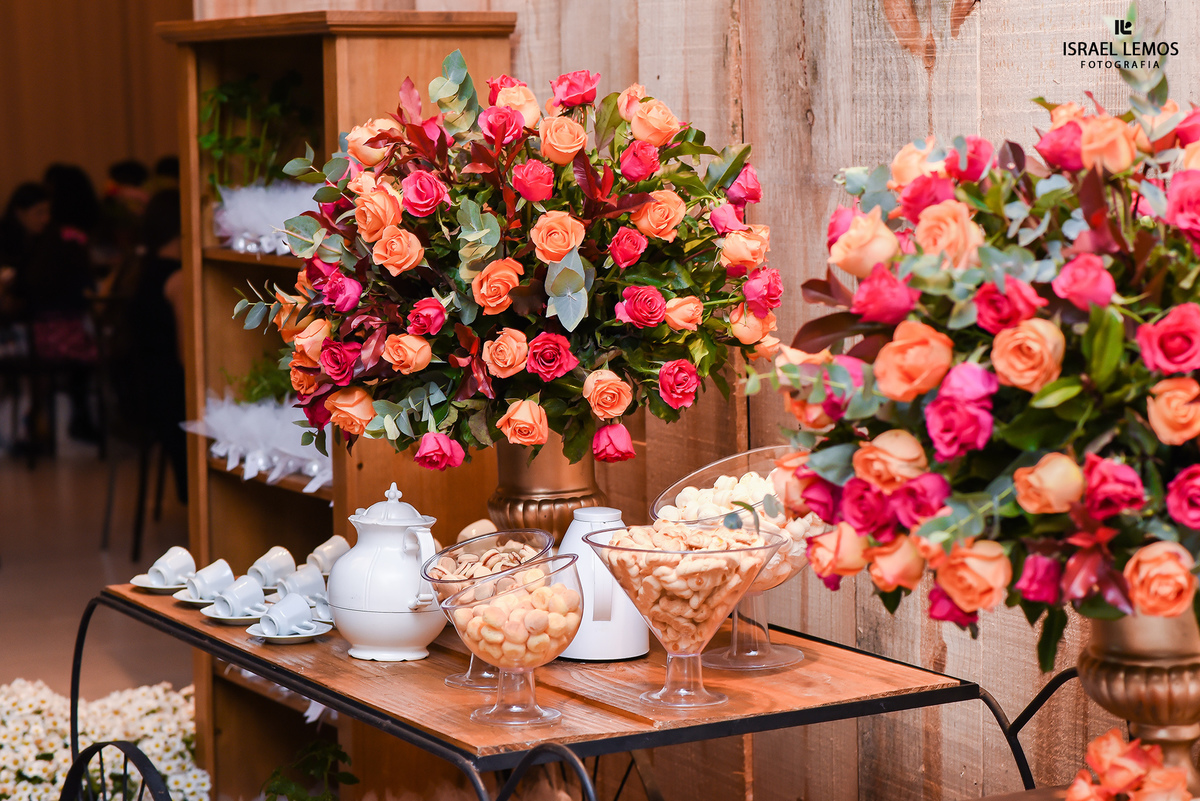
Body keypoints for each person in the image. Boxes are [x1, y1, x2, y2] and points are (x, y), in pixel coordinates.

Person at [119, 188, 187, 503]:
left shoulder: (142, 270)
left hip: (142, 394)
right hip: (171, 402)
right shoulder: (179, 279)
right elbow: (188, 359)